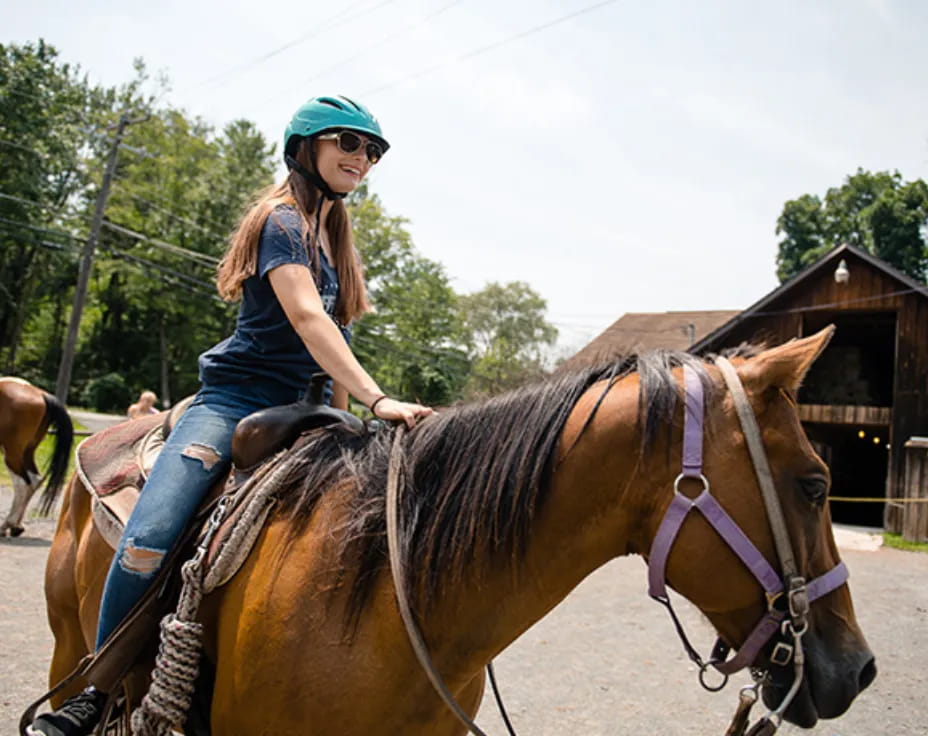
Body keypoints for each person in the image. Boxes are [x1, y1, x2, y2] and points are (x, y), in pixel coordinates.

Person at [28, 94, 433, 736]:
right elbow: (307, 319)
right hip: (237, 399)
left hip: (307, 409)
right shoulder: (279, 220)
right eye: (349, 144)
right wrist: (379, 398)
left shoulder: (334, 239)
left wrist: (355, 417)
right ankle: (96, 692)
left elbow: (335, 349)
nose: (364, 158)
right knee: (150, 537)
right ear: (306, 149)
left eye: (373, 150)